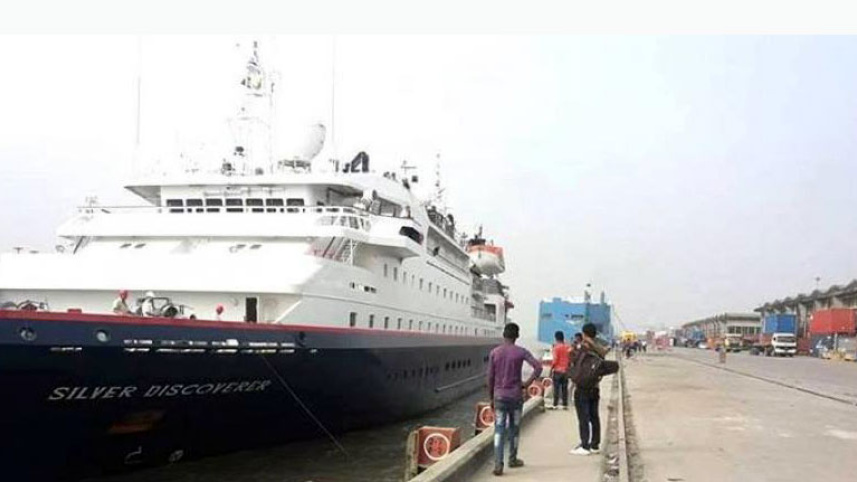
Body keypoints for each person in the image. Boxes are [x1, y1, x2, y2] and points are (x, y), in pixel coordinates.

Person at [487, 322, 542, 476]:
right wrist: (527, 383)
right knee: (514, 428)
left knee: (499, 430)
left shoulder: (494, 353)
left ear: (503, 335)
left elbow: (490, 377)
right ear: (517, 336)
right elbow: (538, 367)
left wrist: (491, 398)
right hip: (516, 396)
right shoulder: (521, 352)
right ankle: (513, 459)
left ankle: (498, 464)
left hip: (499, 396)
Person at [570, 322, 608, 456]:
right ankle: (595, 444)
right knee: (594, 416)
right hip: (595, 386)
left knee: (583, 417)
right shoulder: (600, 350)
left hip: (582, 388)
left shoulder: (583, 348)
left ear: (584, 334)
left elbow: (575, 364)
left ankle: (584, 445)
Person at [550, 331, 571, 410]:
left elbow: (555, 360)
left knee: (556, 388)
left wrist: (551, 369)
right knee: (564, 389)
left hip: (557, 371)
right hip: (565, 371)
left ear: (556, 338)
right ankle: (565, 405)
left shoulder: (556, 348)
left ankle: (555, 404)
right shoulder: (568, 347)